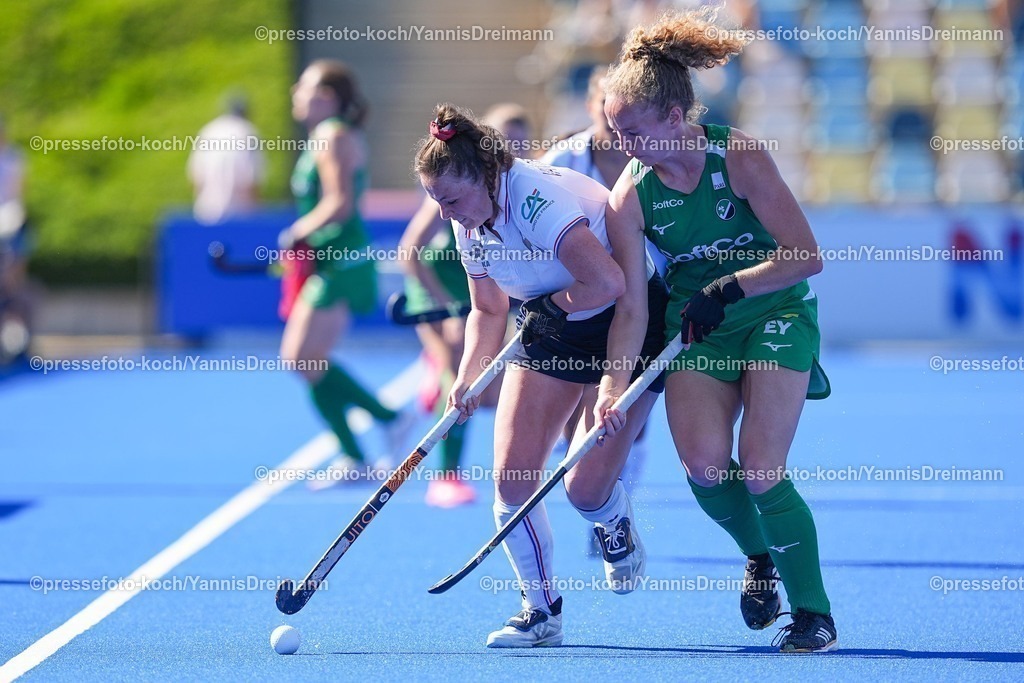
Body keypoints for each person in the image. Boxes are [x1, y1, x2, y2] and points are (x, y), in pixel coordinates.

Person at [597, 9, 836, 653]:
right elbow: (629, 310)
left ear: (676, 118)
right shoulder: (631, 196)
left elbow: (805, 256)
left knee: (761, 469)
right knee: (705, 468)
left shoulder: (740, 156)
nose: (624, 146)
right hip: (697, 332)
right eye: (616, 133)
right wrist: (611, 388)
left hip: (774, 314)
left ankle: (813, 612)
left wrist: (728, 286)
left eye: (634, 131)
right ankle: (759, 555)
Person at [415, 103, 670, 648]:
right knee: (511, 478)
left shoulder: (535, 200)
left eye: (452, 200)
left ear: (486, 177)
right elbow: (486, 310)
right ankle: (541, 610)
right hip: (555, 322)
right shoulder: (469, 217)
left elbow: (607, 283)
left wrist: (548, 308)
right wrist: (466, 376)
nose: (445, 214)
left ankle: (614, 518)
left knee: (584, 489)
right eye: (436, 202)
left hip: (629, 320)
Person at [278, 60, 413, 485]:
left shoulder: (331, 134)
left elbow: (339, 203)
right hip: (332, 259)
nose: (299, 94)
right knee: (306, 359)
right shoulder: (330, 134)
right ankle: (360, 450)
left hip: (343, 261)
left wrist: (296, 232)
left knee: (300, 357)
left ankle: (387, 419)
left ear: (331, 98)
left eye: (310, 89)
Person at [398, 104, 533, 508]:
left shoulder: (521, 185)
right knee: (459, 375)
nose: (514, 146)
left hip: (481, 293)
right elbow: (410, 252)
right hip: (438, 291)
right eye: (506, 137)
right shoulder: (453, 190)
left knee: (488, 394)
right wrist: (448, 308)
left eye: (521, 140)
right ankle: (446, 476)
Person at [540, 67, 651, 550]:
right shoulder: (562, 159)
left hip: (638, 301)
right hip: (581, 302)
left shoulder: (647, 155)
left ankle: (612, 501)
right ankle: (600, 497)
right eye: (606, 106)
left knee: (621, 415)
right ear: (592, 108)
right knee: (577, 419)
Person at [187, 94, 265, 225]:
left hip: (206, 213)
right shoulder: (248, 131)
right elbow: (252, 179)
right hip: (241, 213)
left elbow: (196, 176)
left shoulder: (209, 130)